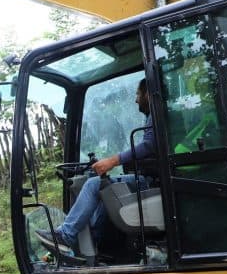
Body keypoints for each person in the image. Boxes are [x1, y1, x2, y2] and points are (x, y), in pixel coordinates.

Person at [36, 78, 154, 256]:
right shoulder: (153, 116)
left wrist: (112, 161)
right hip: (150, 178)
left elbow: (148, 146)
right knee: (105, 189)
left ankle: (65, 236)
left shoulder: (155, 115)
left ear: (147, 94)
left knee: (93, 184)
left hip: (150, 182)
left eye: (138, 94)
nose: (136, 99)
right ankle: (97, 244)